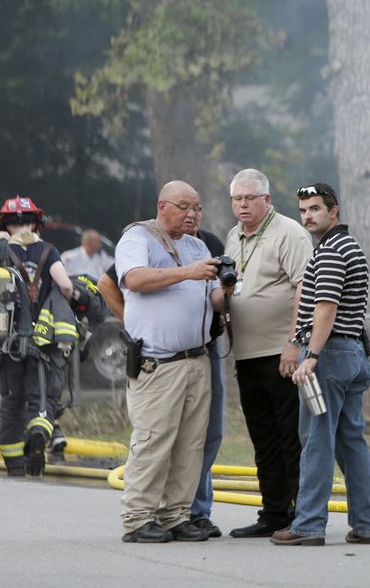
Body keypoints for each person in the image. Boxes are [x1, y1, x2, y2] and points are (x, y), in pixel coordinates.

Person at [97, 209, 227, 540]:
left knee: (191, 444)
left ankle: (176, 515)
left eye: (198, 206)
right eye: (184, 206)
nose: (193, 213)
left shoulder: (200, 246)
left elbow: (212, 297)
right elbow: (134, 278)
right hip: (159, 363)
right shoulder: (138, 237)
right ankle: (138, 518)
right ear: (162, 206)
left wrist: (227, 289)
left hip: (197, 358)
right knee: (153, 441)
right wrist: (137, 320)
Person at [271, 183, 370, 547]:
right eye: (303, 210)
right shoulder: (348, 246)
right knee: (352, 442)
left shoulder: (332, 250)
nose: (308, 216)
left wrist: (312, 355)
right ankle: (366, 525)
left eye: (315, 209)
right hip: (352, 354)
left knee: (316, 441)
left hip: (329, 356)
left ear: (334, 212)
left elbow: (326, 307)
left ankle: (308, 525)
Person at [0, 197, 79, 476]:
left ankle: (14, 463)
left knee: (12, 401)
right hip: (44, 342)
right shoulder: (50, 250)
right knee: (42, 398)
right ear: (37, 222)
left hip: (8, 344)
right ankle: (38, 434)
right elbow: (66, 286)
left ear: (5, 225)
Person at [224, 169, 312, 539]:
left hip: (281, 352)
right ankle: (273, 512)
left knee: (291, 436)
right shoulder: (232, 236)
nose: (242, 205)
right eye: (237, 199)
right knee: (263, 438)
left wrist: (294, 342)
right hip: (247, 355)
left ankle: (301, 515)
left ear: (267, 200)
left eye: (249, 198)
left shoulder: (288, 232)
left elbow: (305, 287)